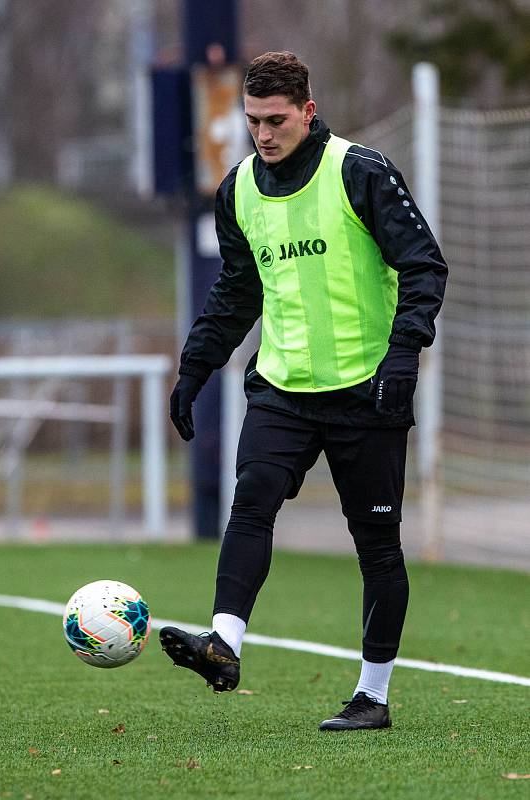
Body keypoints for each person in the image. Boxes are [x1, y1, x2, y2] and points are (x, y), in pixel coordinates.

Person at [160, 51, 447, 731]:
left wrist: (402, 357)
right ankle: (223, 645)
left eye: (276, 119)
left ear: (306, 111)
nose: (263, 133)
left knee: (375, 544)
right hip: (283, 388)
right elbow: (235, 292)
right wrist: (193, 371)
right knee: (251, 499)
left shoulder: (360, 171)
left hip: (367, 389)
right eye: (253, 120)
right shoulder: (237, 191)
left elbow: (423, 265)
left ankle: (371, 696)